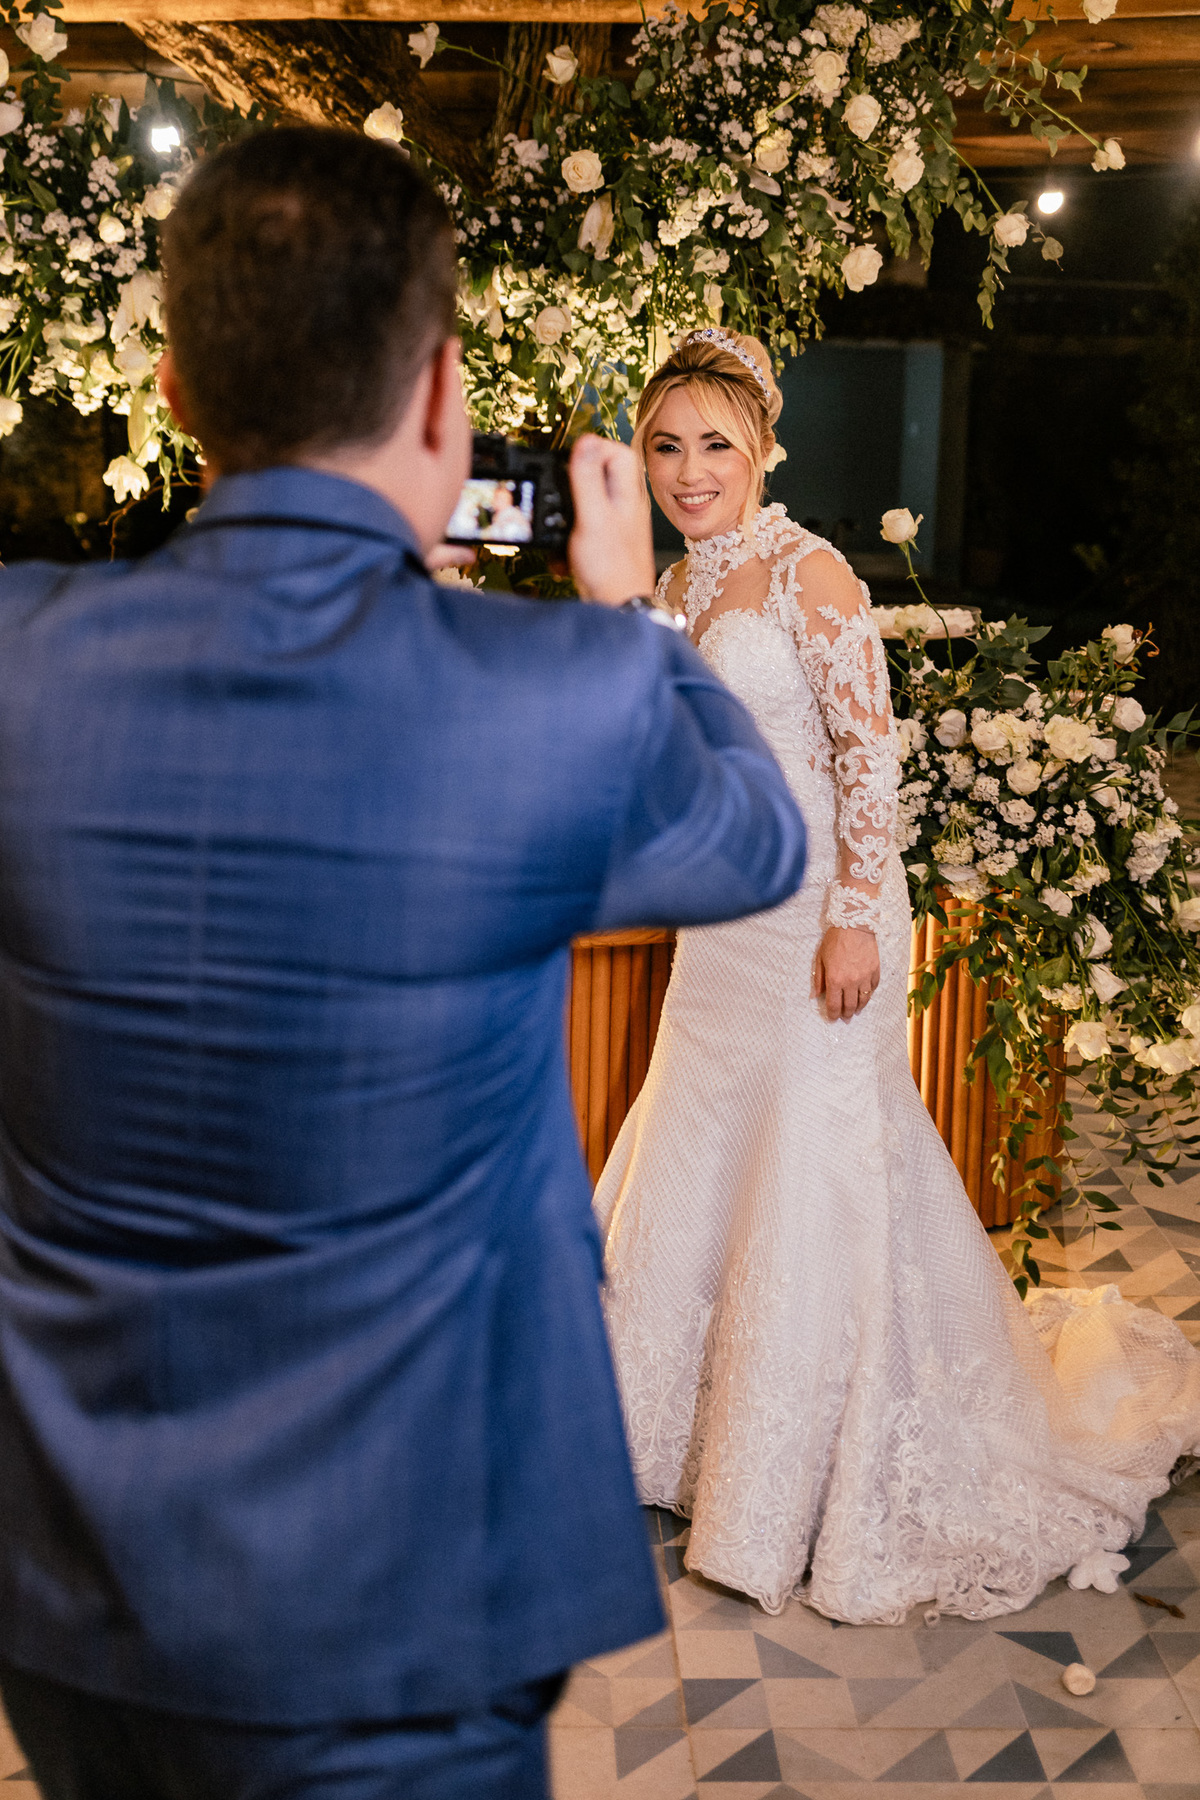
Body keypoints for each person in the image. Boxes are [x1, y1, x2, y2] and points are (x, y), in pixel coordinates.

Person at [0, 134, 808, 1800]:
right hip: (407, 1602)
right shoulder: (554, 693)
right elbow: (756, 843)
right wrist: (624, 616)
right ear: (440, 393)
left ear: (173, 382)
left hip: (70, 1579)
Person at [594, 327, 1200, 1625]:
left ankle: (785, 1496)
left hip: (824, 920)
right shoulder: (676, 585)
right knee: (697, 1168)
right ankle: (662, 1448)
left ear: (765, 449)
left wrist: (858, 914)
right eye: (666, 445)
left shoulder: (813, 576)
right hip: (721, 933)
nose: (689, 470)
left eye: (715, 444)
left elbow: (874, 766)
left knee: (811, 1180)